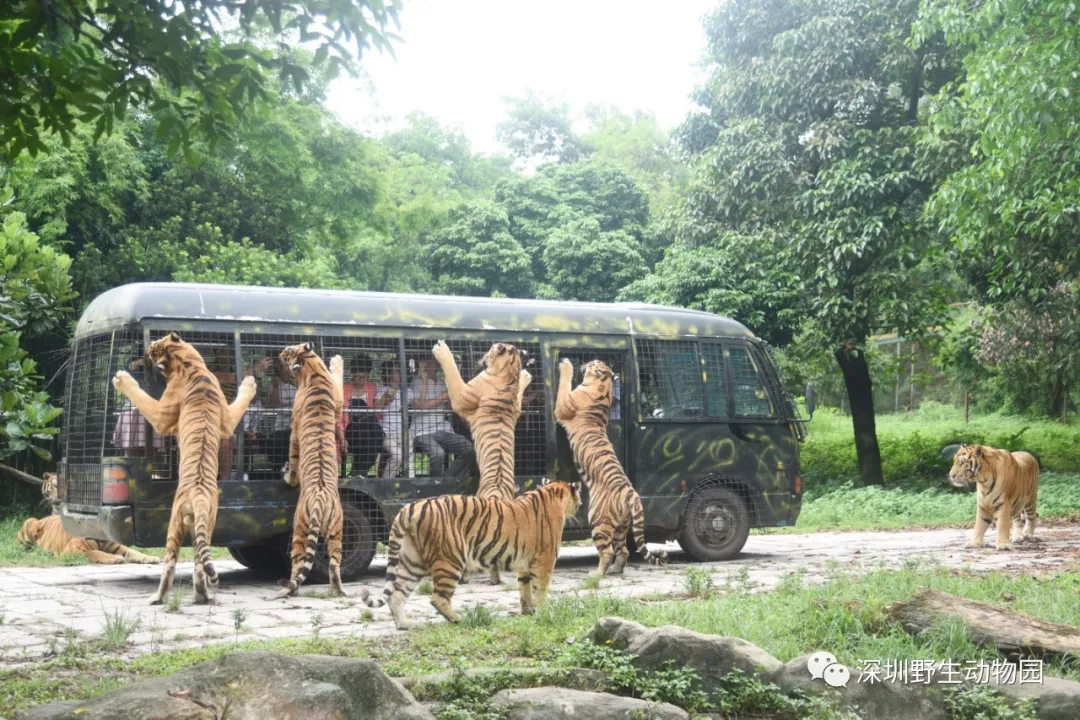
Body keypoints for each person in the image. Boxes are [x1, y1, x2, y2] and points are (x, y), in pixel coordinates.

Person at [410, 355, 473, 478]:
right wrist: (444, 396)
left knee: (469, 449)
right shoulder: (416, 382)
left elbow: (448, 407)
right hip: (422, 431)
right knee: (438, 454)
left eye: (436, 360)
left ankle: (447, 480)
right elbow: (422, 406)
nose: (436, 362)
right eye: (432, 359)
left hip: (443, 428)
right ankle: (435, 484)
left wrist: (454, 395)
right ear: (424, 363)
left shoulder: (442, 382)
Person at [340, 355, 385, 478]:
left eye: (364, 376)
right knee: (372, 437)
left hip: (368, 431)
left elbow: (375, 413)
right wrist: (341, 436)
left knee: (374, 435)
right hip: (349, 430)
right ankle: (359, 472)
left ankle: (359, 472)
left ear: (368, 374)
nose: (360, 379)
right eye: (357, 376)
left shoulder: (371, 387)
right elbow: (339, 415)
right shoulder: (343, 388)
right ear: (352, 373)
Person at [375, 363, 412, 478]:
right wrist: (385, 397)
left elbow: (419, 405)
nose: (399, 373)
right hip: (386, 433)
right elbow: (376, 410)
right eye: (396, 371)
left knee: (409, 455)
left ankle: (410, 481)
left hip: (403, 433)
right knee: (397, 455)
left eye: (400, 371)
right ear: (390, 375)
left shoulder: (408, 391)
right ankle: (386, 484)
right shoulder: (383, 390)